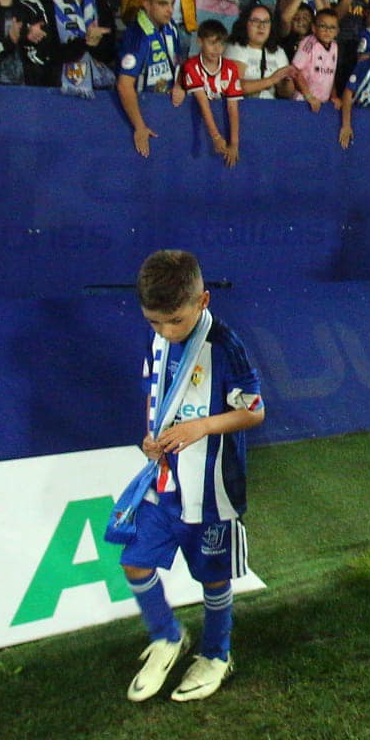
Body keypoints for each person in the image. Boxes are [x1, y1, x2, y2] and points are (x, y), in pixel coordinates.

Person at [119, 249, 266, 703]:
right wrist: (150, 438)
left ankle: (216, 654)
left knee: (213, 578)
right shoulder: (157, 341)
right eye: (154, 322)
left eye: (175, 321)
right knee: (134, 561)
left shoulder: (225, 345)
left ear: (202, 301)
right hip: (163, 482)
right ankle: (168, 635)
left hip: (211, 491)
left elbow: (255, 412)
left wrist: (201, 426)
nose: (165, 331)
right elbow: (156, 399)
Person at [118, 0, 186, 158]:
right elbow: (124, 85)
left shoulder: (171, 28)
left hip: (167, 112)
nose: (170, 10)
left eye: (172, 4)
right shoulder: (137, 35)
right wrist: (139, 127)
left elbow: (178, 65)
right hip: (143, 113)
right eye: (163, 4)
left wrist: (180, 85)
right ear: (147, 4)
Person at [182, 18, 242, 166]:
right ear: (199, 42)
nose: (217, 49)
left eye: (221, 44)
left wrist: (234, 143)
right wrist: (215, 136)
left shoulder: (230, 68)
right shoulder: (191, 66)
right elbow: (203, 104)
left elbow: (233, 108)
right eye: (212, 43)